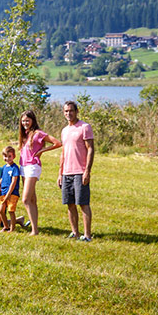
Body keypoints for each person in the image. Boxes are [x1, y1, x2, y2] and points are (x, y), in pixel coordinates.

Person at [18, 110, 62, 236]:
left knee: (25, 199)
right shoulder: (25, 134)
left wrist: (42, 150)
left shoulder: (38, 134)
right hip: (23, 167)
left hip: (33, 166)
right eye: (23, 121)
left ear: (33, 120)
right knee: (32, 199)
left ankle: (34, 230)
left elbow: (57, 143)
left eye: (27, 120)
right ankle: (35, 228)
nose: (25, 123)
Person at [58, 101, 95, 242]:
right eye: (66, 111)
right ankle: (75, 232)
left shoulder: (85, 127)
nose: (68, 113)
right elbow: (63, 153)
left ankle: (87, 235)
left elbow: (90, 149)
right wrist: (60, 173)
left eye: (71, 111)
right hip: (66, 172)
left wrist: (87, 171)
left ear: (76, 111)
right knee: (70, 203)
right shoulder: (64, 130)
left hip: (80, 172)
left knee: (83, 203)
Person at [0, 146, 24, 232]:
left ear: (14, 156)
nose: (7, 158)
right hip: (3, 192)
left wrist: (9, 194)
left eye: (9, 156)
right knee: (1, 210)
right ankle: (6, 226)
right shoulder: (4, 167)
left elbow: (13, 182)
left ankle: (12, 229)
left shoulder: (15, 168)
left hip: (12, 194)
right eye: (5, 156)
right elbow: (2, 179)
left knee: (11, 211)